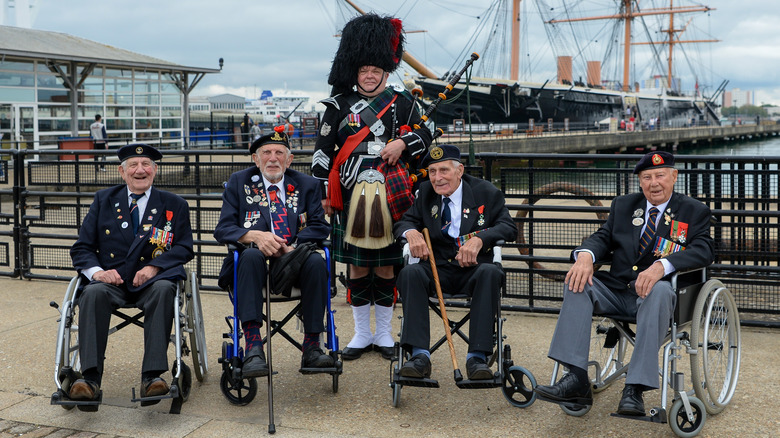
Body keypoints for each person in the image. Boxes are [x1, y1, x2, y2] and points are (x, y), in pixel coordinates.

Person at [534, 151, 714, 416]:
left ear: (674, 176)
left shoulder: (693, 210)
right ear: (640, 182)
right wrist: (585, 255)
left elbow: (705, 249)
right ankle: (576, 378)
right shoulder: (625, 205)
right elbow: (603, 237)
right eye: (646, 177)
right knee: (577, 281)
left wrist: (662, 265)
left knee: (661, 288)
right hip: (618, 290)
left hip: (659, 296)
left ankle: (635, 388)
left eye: (660, 175)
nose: (654, 183)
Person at [312, 13, 432, 361]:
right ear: (355, 70)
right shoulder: (338, 106)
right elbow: (321, 152)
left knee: (387, 266)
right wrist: (323, 195)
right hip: (350, 194)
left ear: (386, 69)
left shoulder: (405, 102)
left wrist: (404, 144)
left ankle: (383, 335)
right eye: (363, 69)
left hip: (392, 195)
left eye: (375, 69)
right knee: (357, 267)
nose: (368, 75)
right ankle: (361, 334)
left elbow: (430, 134)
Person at [69, 144, 194, 403]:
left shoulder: (174, 204)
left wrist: (154, 267)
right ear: (122, 172)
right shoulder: (104, 200)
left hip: (153, 280)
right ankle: (89, 379)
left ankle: (152, 377)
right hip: (111, 280)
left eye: (146, 164)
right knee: (92, 293)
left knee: (164, 291)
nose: (140, 170)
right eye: (133, 166)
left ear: (155, 170)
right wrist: (97, 273)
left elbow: (184, 247)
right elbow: (82, 248)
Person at [214, 126, 334, 376]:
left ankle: (312, 347)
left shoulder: (307, 185)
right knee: (250, 255)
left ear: (289, 159)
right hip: (252, 268)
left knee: (315, 261)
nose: (272, 158)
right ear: (255, 159)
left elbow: (320, 226)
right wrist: (255, 236)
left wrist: (294, 245)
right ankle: (254, 346)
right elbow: (223, 228)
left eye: (279, 152)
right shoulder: (239, 182)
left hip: (294, 264)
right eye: (266, 152)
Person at [393, 144, 517, 380]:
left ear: (459, 171)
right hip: (436, 269)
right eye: (432, 172)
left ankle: (477, 358)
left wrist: (480, 239)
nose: (437, 178)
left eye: (443, 171)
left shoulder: (486, 192)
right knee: (409, 274)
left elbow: (508, 227)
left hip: (473, 269)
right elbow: (404, 222)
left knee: (491, 272)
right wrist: (411, 233)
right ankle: (419, 356)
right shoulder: (426, 193)